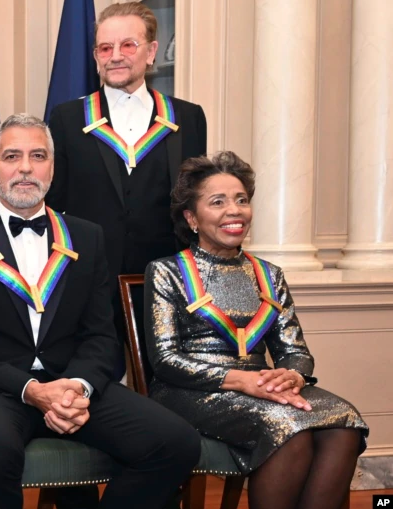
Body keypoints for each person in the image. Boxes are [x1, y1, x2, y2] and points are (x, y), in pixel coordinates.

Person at [0, 113, 201, 509]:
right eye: (12, 156)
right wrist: (34, 391)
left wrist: (77, 387)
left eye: (38, 155)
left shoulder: (87, 236)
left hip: (73, 384)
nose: (25, 167)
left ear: (52, 168)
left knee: (175, 443)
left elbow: (101, 336)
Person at [145, 151, 368, 509]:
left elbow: (295, 350)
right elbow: (166, 360)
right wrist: (240, 380)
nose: (234, 210)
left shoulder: (270, 274)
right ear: (192, 218)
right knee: (287, 428)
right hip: (189, 390)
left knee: (345, 423)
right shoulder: (167, 271)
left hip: (262, 386)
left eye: (241, 200)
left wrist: (292, 376)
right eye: (218, 202)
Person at [46, 1, 207, 382]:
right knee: (93, 384)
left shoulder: (187, 117)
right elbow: (56, 203)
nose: (115, 56)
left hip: (166, 277)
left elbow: (194, 203)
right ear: (95, 56)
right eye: (105, 48)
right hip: (89, 278)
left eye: (128, 45)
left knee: (164, 385)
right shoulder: (68, 118)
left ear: (151, 51)